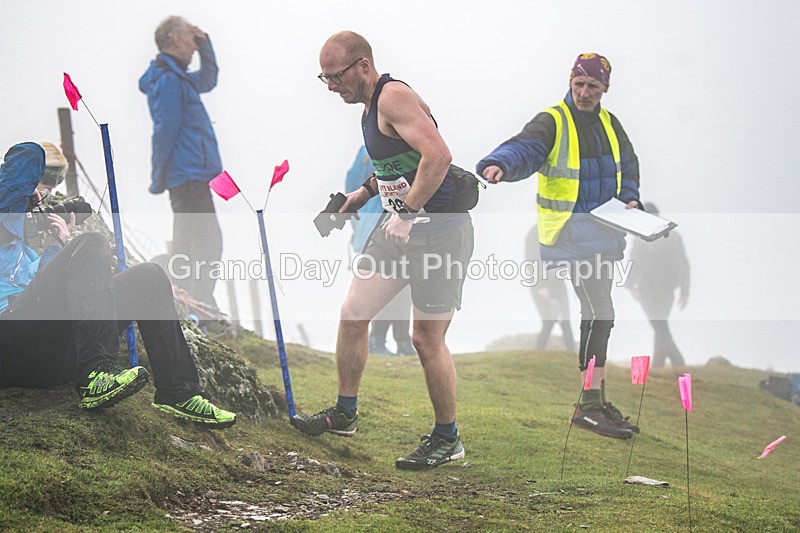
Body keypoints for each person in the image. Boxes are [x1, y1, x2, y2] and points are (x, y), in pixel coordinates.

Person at [293, 31, 475, 470]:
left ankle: (448, 439)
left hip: (439, 229)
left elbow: (438, 156)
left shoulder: (392, 96)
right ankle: (344, 413)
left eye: (335, 76)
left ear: (363, 65)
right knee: (354, 312)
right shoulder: (368, 106)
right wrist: (362, 193)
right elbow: (401, 164)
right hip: (399, 226)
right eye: (324, 79)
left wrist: (408, 212)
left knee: (425, 338)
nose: (331, 86)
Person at [0, 142, 236, 428]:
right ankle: (95, 375)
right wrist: (31, 191)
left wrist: (55, 246)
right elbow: (27, 154)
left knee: (150, 276)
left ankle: (178, 391)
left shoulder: (29, 255)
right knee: (91, 242)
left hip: (53, 355)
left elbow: (44, 290)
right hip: (10, 341)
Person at [477, 53, 640, 440]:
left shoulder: (609, 123)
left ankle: (594, 401)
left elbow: (628, 166)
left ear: (605, 89)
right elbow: (525, 148)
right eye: (579, 84)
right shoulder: (552, 120)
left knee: (601, 314)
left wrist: (631, 198)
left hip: (604, 233)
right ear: (570, 81)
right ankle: (588, 406)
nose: (584, 93)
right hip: (570, 235)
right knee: (599, 311)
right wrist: (500, 163)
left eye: (593, 87)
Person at [139, 16, 223, 310]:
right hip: (186, 175)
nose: (192, 46)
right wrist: (158, 176)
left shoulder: (179, 77)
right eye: (190, 39)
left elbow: (209, 79)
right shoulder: (169, 80)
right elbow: (165, 128)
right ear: (175, 40)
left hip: (193, 173)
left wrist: (205, 45)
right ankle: (196, 299)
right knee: (206, 241)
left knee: (193, 240)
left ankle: (192, 297)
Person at [344, 145, 415, 356]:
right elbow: (354, 182)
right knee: (384, 287)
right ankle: (379, 340)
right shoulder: (372, 150)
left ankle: (399, 339)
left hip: (387, 223)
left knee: (402, 287)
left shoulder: (380, 146)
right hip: (380, 224)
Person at [627, 202, 688, 368]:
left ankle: (678, 363)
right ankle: (658, 365)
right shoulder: (669, 236)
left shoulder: (662, 237)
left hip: (656, 291)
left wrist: (685, 292)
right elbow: (634, 261)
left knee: (659, 326)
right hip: (657, 291)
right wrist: (630, 285)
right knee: (660, 325)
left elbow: (683, 264)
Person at [525, 224, 575, 352]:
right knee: (549, 322)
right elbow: (531, 260)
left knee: (565, 320)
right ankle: (539, 353)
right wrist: (541, 286)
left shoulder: (558, 230)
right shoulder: (534, 233)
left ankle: (573, 355)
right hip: (541, 285)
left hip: (558, 282)